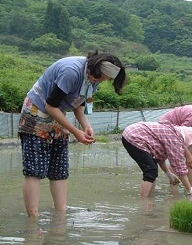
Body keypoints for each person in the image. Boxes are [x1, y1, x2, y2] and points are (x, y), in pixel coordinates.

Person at [18, 50, 127, 217]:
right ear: (95, 70)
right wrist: (76, 132)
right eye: (102, 78)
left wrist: (86, 126)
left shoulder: (94, 78)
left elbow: (80, 104)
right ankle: (33, 218)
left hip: (59, 113)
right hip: (38, 110)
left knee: (59, 169)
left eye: (106, 80)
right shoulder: (71, 71)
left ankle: (61, 215)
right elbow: (50, 106)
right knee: (35, 169)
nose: (102, 82)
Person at [122, 122, 192, 197]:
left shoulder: (176, 133)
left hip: (131, 133)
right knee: (151, 170)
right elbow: (180, 168)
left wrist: (169, 174)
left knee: (152, 167)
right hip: (134, 136)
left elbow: (160, 158)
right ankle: (144, 201)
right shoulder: (175, 140)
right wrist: (190, 191)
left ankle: (150, 196)